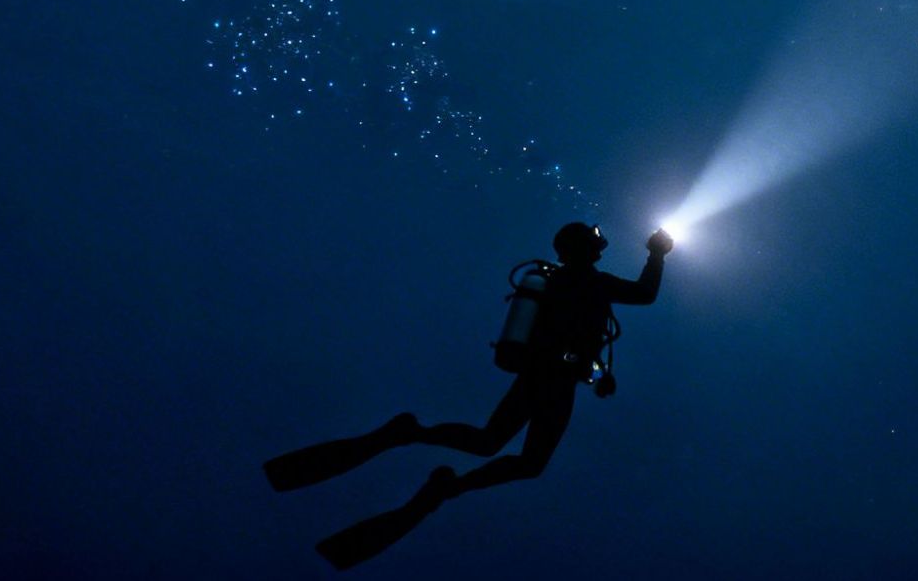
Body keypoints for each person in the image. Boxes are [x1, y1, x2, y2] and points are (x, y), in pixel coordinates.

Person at [264, 223, 675, 569]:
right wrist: (657, 254)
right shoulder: (589, 281)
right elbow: (645, 295)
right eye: (595, 242)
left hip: (542, 375)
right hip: (554, 379)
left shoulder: (557, 280)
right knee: (523, 460)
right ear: (586, 249)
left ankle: (414, 437)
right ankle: (443, 480)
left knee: (488, 442)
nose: (601, 248)